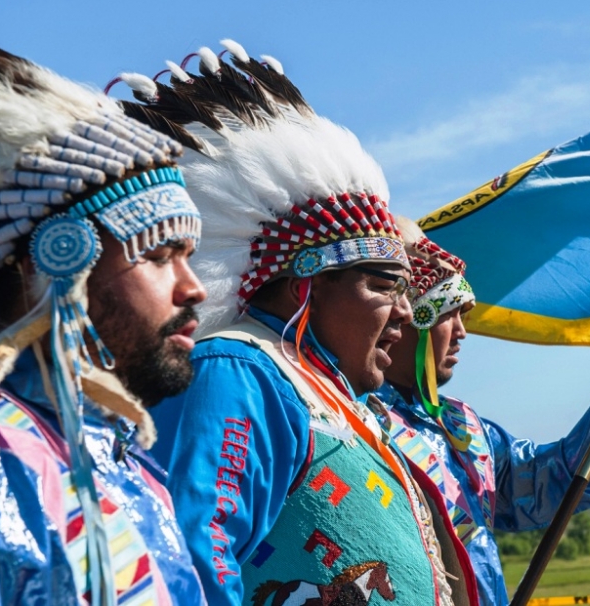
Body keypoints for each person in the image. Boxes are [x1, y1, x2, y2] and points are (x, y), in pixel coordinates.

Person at [118, 42, 477, 606]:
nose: (406, 312)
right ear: (303, 286)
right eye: (385, 285)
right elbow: (190, 561)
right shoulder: (237, 373)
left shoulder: (331, 396)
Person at [0, 17, 208, 605]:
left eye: (189, 257)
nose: (194, 288)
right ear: (53, 261)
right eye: (158, 255)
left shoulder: (122, 456)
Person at [372, 218, 590, 605]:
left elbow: (551, 483)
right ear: (408, 318)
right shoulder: (354, 418)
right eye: (450, 313)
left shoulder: (461, 425)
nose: (462, 332)